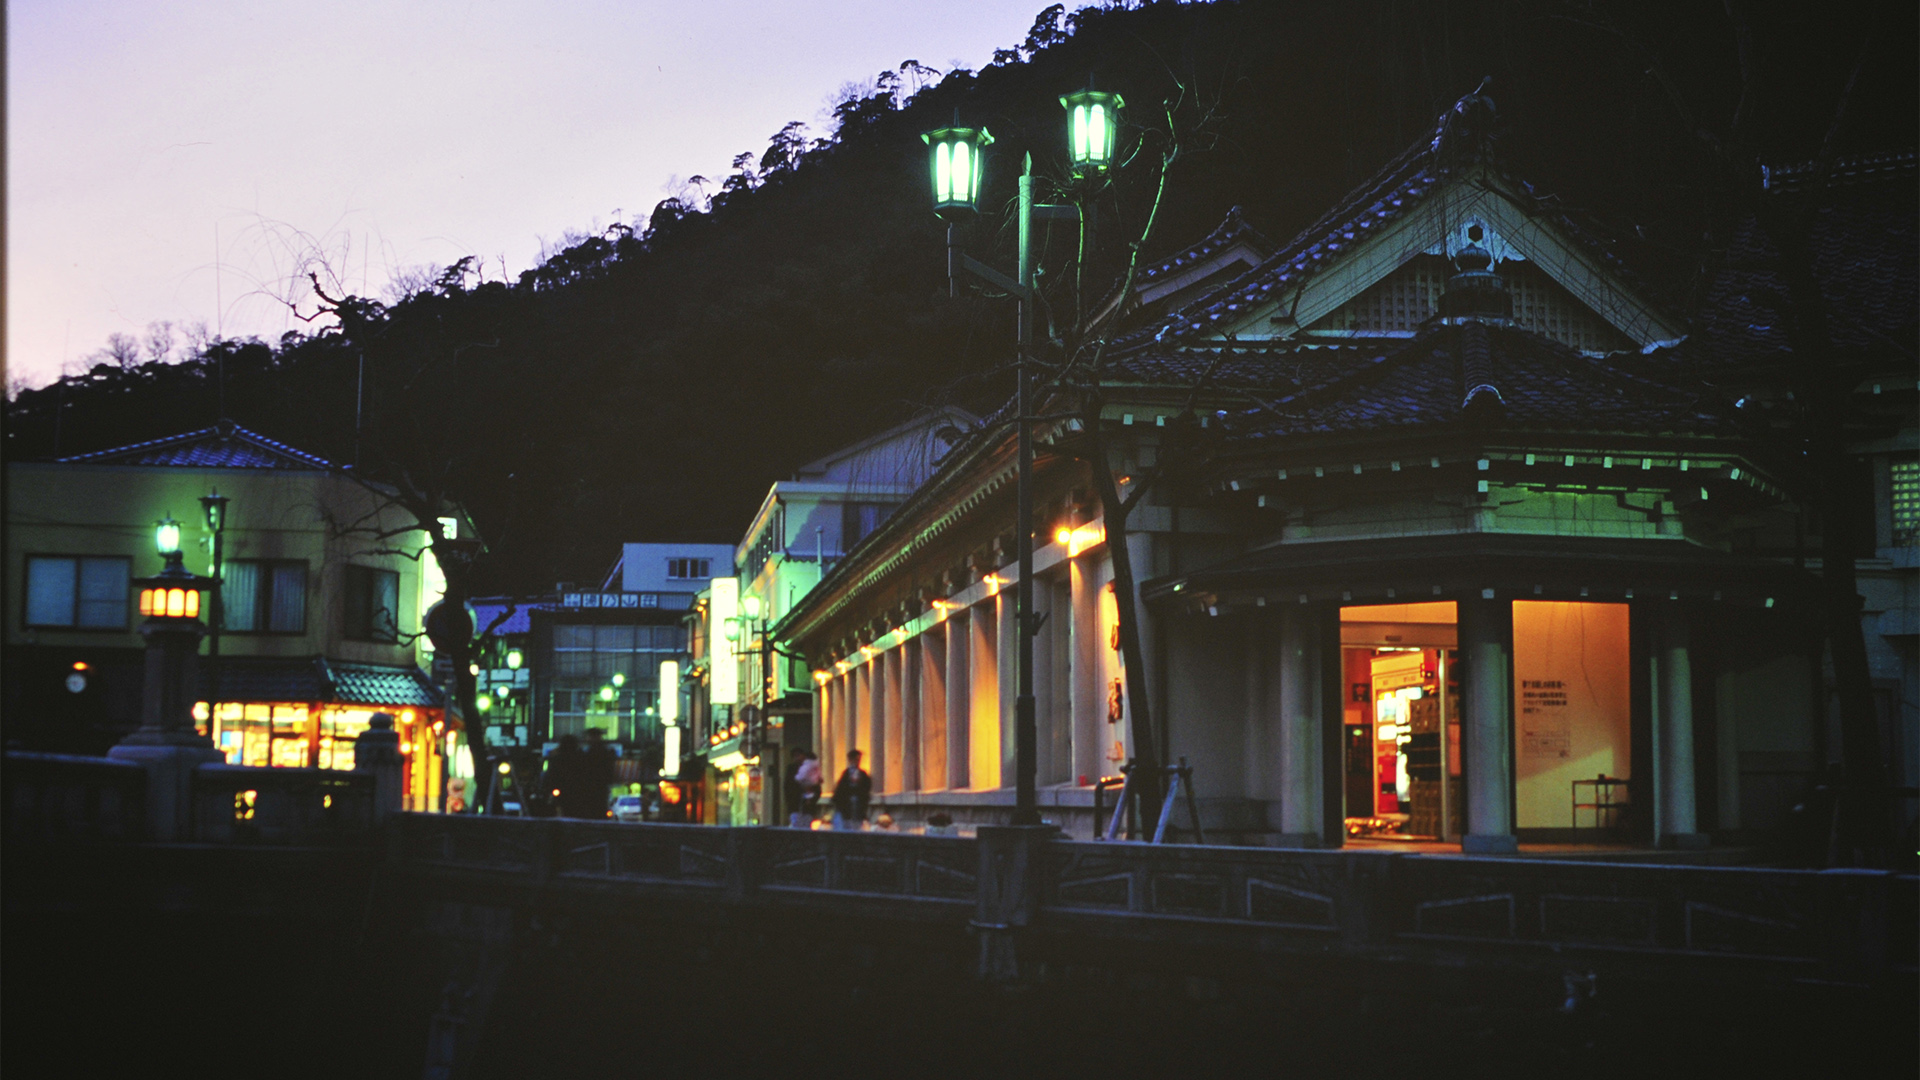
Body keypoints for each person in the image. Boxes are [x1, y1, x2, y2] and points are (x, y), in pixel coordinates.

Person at [831, 749, 871, 831]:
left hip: (858, 805)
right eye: (855, 759)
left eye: (858, 760)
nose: (857, 762)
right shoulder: (846, 774)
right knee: (847, 827)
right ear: (850, 760)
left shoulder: (863, 774)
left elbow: (867, 787)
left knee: (857, 826)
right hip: (847, 806)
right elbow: (841, 790)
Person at [789, 747, 822, 828]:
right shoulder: (792, 769)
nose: (797, 758)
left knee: (806, 826)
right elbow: (788, 787)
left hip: (807, 808)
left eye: (798, 755)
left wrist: (812, 799)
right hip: (796, 805)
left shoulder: (812, 769)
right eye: (795, 756)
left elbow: (817, 787)